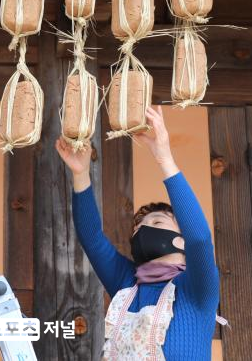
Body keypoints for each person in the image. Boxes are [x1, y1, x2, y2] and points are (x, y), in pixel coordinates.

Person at [56, 106, 219, 360]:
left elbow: (199, 238)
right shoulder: (127, 284)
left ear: (181, 241)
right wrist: (80, 174)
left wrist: (164, 158)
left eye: (156, 222)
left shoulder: (197, 287)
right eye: (137, 228)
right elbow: (92, 239)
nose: (142, 229)